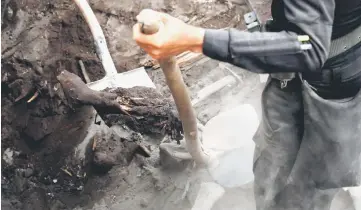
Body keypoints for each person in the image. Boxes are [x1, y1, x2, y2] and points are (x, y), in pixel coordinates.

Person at [133, 0, 361, 209]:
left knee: (311, 186)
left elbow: (307, 46)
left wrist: (197, 39)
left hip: (335, 87)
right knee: (270, 165)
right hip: (289, 71)